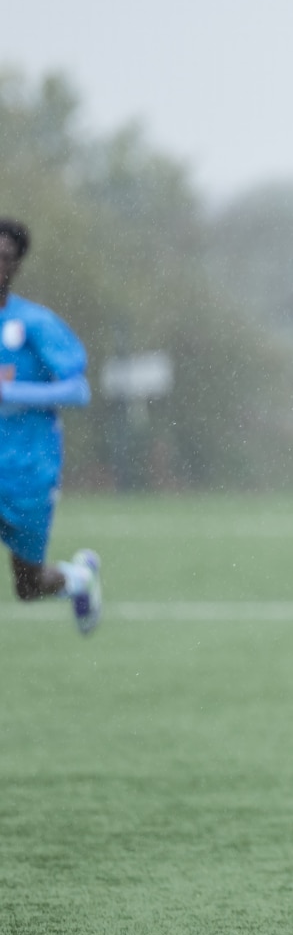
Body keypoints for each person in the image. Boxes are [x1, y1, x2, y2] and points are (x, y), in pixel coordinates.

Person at [0, 219, 102, 631]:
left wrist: (12, 392)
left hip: (28, 468)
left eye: (4, 258)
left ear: (17, 264)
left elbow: (78, 389)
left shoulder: (36, 323)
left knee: (28, 586)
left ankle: (79, 579)